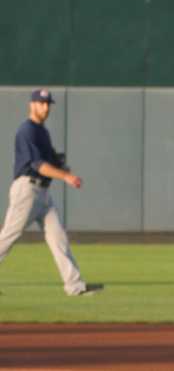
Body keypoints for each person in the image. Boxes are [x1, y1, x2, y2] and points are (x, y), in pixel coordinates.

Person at [0, 89, 102, 296]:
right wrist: (65, 176)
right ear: (32, 104)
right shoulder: (26, 130)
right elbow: (37, 164)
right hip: (27, 189)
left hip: (43, 193)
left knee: (58, 238)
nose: (45, 108)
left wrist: (61, 165)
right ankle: (75, 285)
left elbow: (51, 160)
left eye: (48, 104)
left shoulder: (42, 131)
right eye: (41, 103)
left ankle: (75, 286)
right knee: (8, 237)